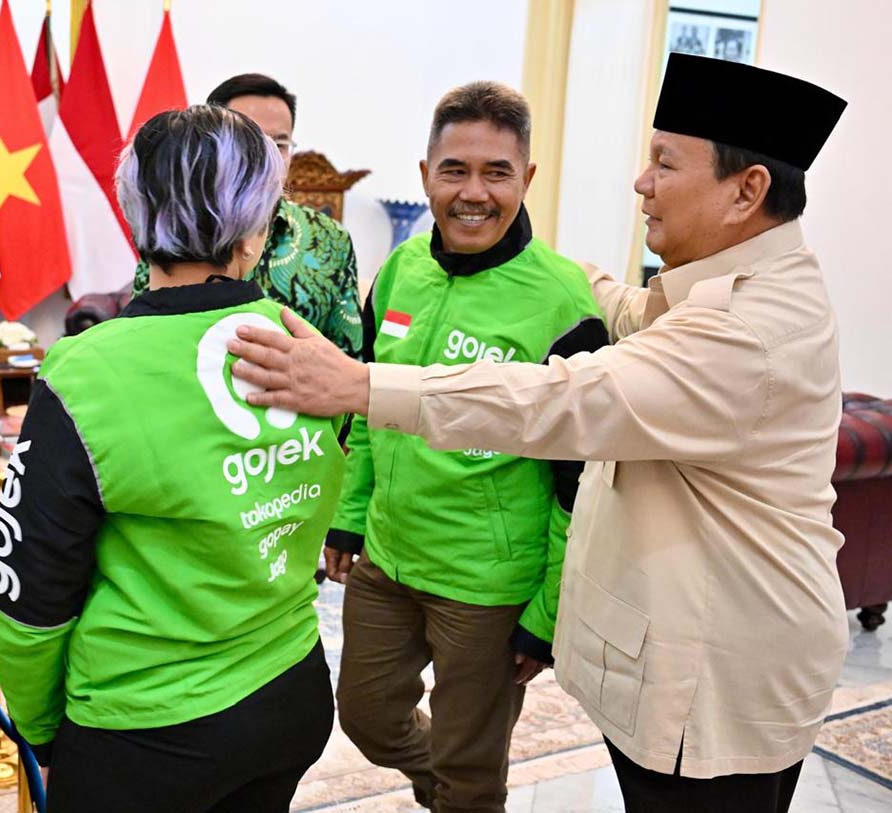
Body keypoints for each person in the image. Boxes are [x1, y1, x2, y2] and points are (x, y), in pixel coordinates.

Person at [228, 53, 848, 813]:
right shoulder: (719, 288)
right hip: (661, 649)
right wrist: (523, 260)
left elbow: (563, 399)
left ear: (746, 190)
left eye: (663, 163)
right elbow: (628, 308)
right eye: (454, 171)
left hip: (718, 669)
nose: (641, 183)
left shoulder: (747, 332)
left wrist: (360, 384)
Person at [0, 105, 346, 812]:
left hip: (146, 732)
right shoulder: (313, 351)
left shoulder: (86, 369)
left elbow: (27, 594)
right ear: (256, 233)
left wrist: (42, 729)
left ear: (137, 219)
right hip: (289, 693)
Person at [324, 82, 607, 813]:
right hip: (388, 556)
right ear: (424, 175)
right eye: (454, 170)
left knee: (472, 769)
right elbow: (367, 404)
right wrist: (349, 516)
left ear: (528, 179)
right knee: (365, 715)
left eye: (496, 172)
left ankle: (461, 789)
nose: (472, 193)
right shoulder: (398, 270)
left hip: (486, 584)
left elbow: (580, 477)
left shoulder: (564, 300)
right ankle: (443, 783)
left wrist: (545, 613)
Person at [132, 73, 364, 358]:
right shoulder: (175, 226)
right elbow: (143, 324)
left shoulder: (329, 238)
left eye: (280, 144)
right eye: (250, 143)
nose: (267, 159)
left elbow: (347, 354)